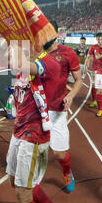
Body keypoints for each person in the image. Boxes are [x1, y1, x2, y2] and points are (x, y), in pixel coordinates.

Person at [0, 41, 60, 203]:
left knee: (22, 190)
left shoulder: (49, 63)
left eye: (28, 42)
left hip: (34, 135)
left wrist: (13, 36)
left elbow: (19, 63)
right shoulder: (22, 69)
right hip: (18, 131)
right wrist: (5, 40)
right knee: (15, 183)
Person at [38, 20, 82, 193]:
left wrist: (70, 95)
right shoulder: (36, 53)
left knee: (59, 154)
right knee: (38, 150)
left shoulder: (68, 53)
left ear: (56, 33)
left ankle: (67, 172)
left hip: (57, 110)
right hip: (36, 110)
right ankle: (36, 178)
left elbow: (78, 80)